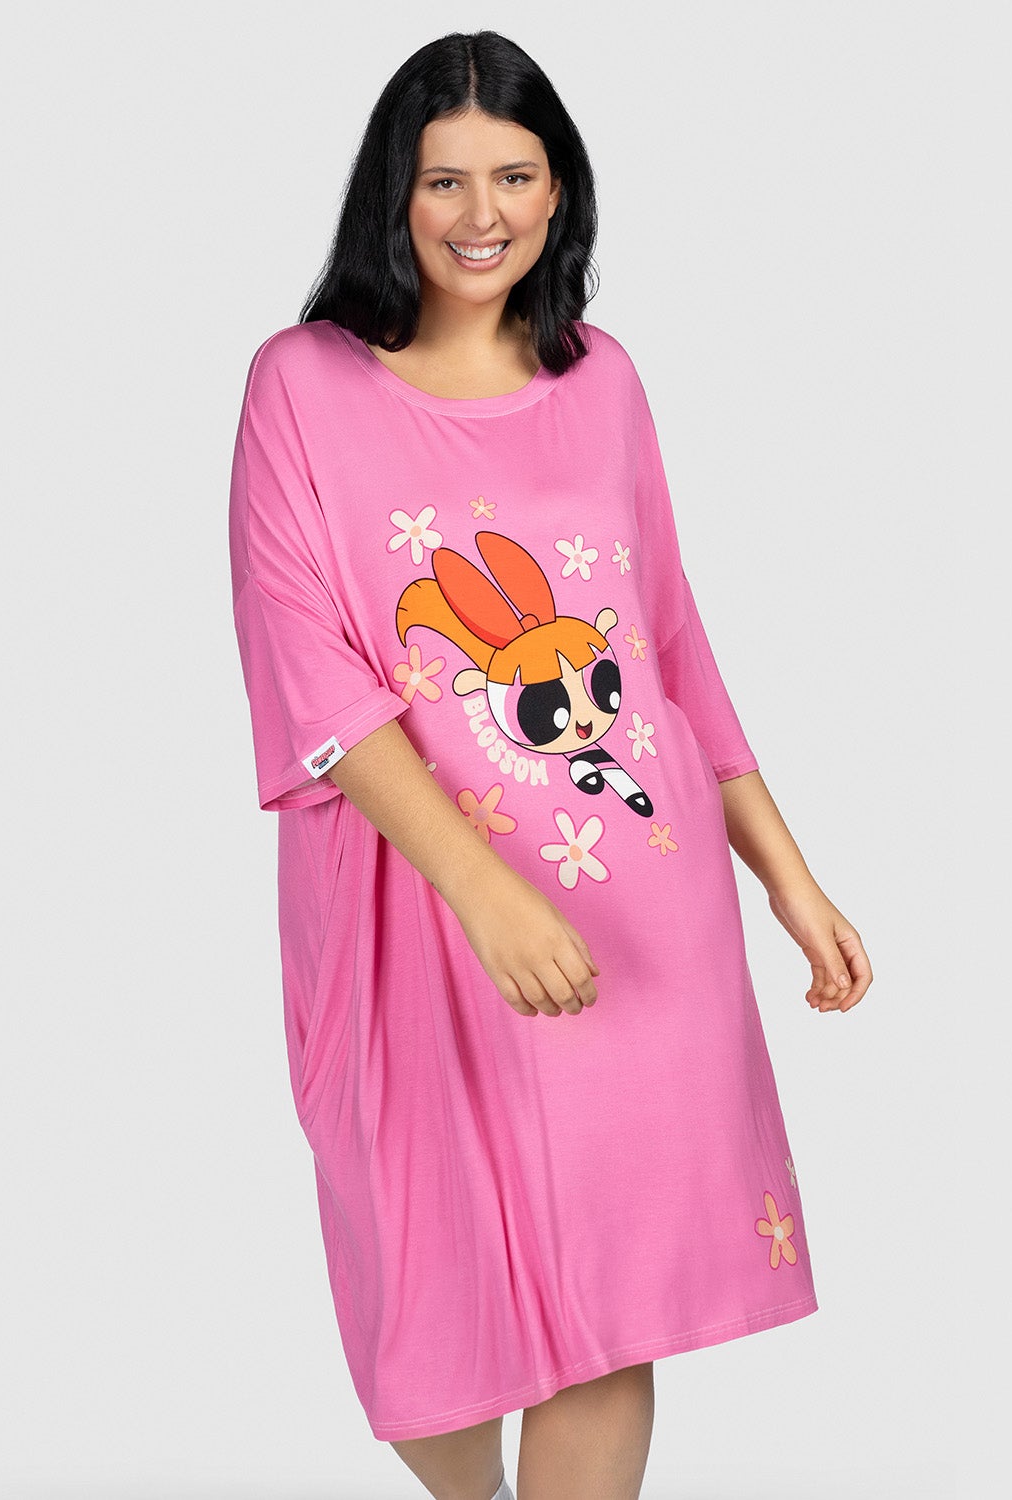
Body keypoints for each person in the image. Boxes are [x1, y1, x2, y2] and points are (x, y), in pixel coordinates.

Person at [227, 29, 872, 1500]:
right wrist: (486, 894)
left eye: (515, 177)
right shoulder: (303, 384)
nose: (482, 215)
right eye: (444, 180)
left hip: (637, 914)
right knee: (423, 1306)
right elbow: (314, 676)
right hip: (413, 907)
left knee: (609, 1314)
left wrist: (788, 878)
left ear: (560, 189)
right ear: (392, 195)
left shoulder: (604, 378)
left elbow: (668, 643)